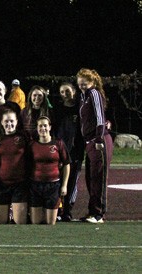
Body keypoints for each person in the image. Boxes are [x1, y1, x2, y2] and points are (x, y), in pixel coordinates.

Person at [77, 68, 113, 224]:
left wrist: (99, 138)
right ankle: (93, 211)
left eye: (85, 84)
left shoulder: (94, 93)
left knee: (99, 177)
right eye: (80, 84)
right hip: (89, 142)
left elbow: (99, 117)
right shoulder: (83, 96)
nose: (82, 86)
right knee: (90, 178)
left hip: (99, 141)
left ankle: (99, 214)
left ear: (92, 82)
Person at [29, 116, 70, 225]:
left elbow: (66, 164)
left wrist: (64, 185)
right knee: (36, 222)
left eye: (45, 125)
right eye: (40, 126)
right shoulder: (32, 145)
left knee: (50, 223)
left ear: (50, 127)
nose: (43, 128)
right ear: (37, 128)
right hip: (35, 186)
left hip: (53, 186)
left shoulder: (58, 143)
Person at [53, 82, 85, 222]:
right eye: (62, 92)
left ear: (73, 91)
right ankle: (58, 209)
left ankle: (67, 211)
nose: (65, 94)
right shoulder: (57, 109)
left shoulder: (80, 108)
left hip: (76, 150)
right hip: (60, 150)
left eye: (67, 91)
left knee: (72, 181)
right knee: (58, 180)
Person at [0, 110, 30, 224]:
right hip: (1, 185)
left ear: (17, 122)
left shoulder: (24, 137)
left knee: (19, 222)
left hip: (19, 184)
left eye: (12, 121)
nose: (9, 124)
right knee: (2, 222)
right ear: (2, 123)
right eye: (6, 121)